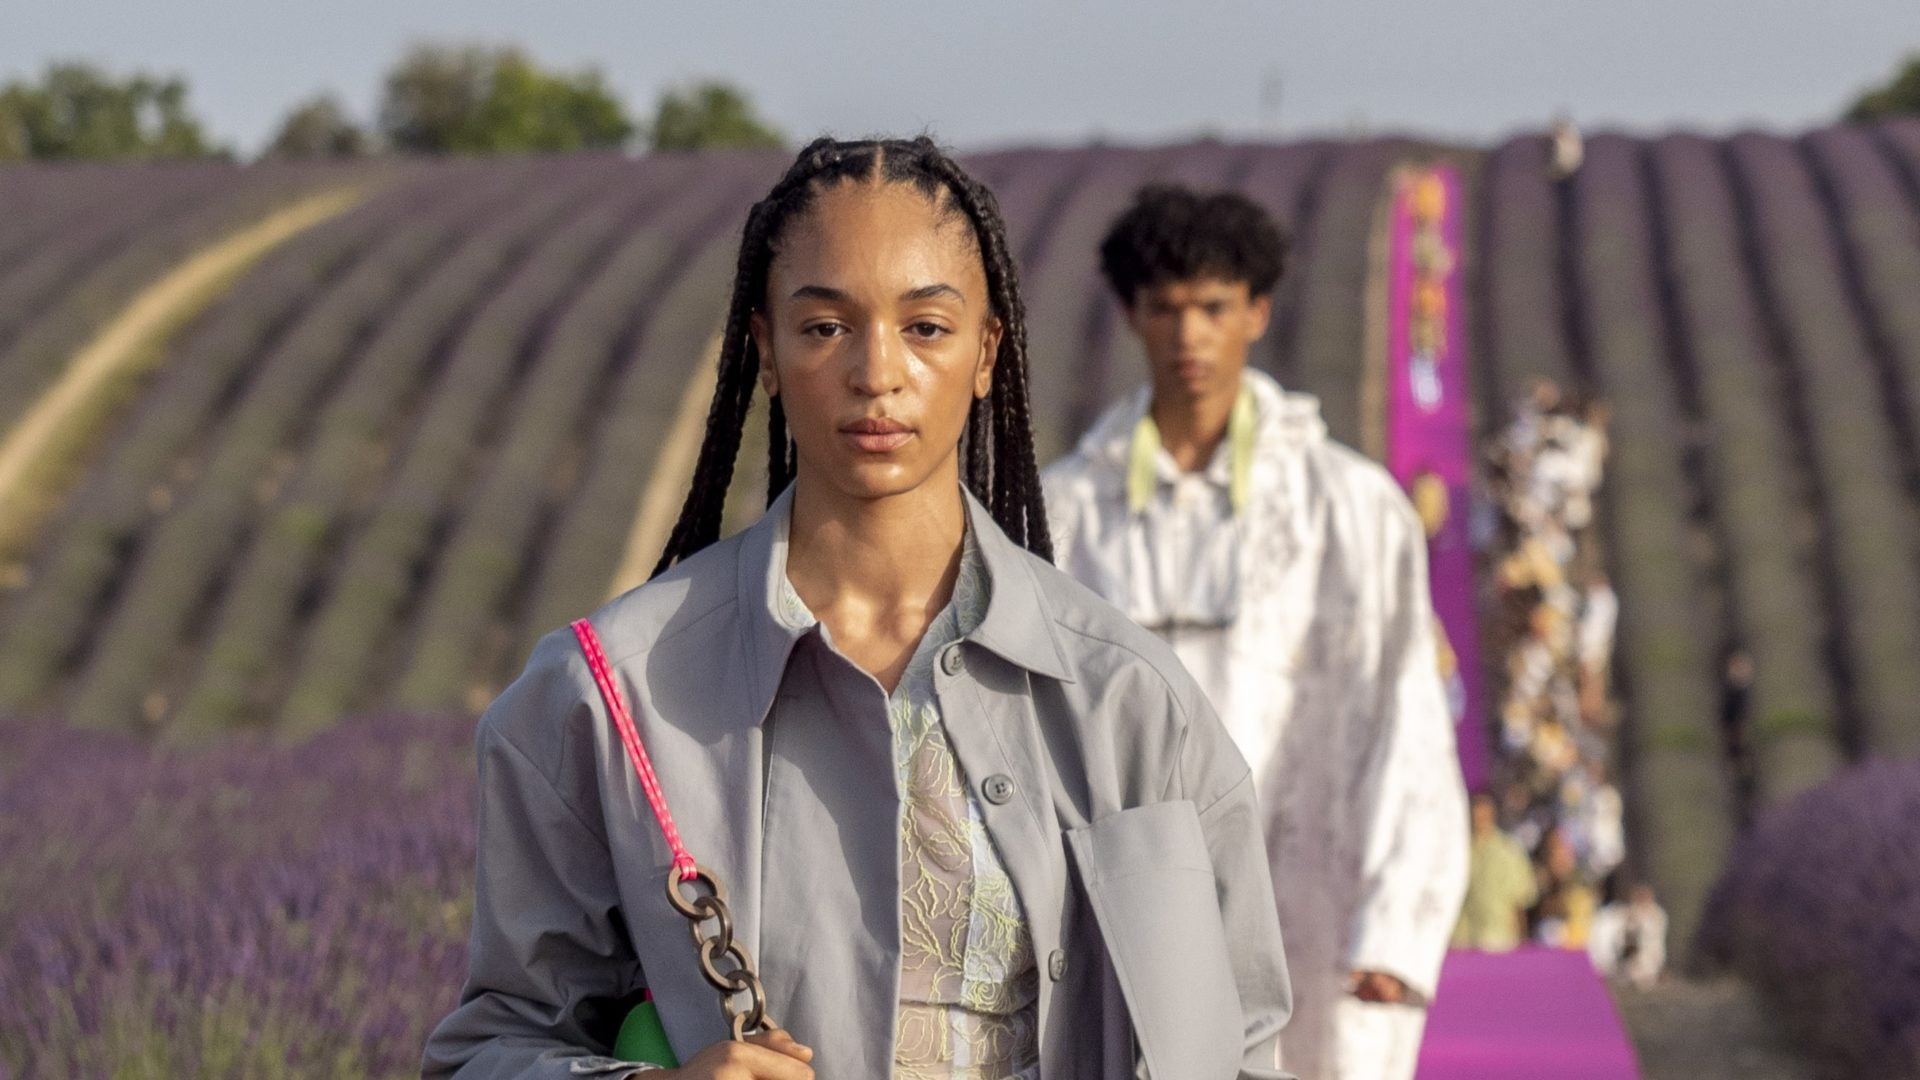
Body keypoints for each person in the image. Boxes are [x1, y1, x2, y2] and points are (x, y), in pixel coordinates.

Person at [422, 138, 1294, 1080]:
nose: (877, 373)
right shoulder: (603, 698)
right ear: (765, 349)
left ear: (987, 351)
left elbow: (1237, 1051)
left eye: (926, 327)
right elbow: (490, 1049)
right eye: (826, 327)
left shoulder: (1129, 700)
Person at [1042, 185, 1468, 1080]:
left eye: (1213, 306)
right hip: (1122, 895)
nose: (1189, 335)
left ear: (1257, 312)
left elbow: (1405, 716)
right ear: (1130, 317)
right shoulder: (1063, 514)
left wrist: (1397, 924)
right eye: (1165, 308)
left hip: (1307, 889)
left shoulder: (1348, 508)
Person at [1451, 791, 1537, 951]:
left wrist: (1522, 943)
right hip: (1461, 941)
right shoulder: (1454, 848)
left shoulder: (1508, 851)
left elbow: (1519, 902)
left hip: (1497, 941)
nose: (1479, 818)